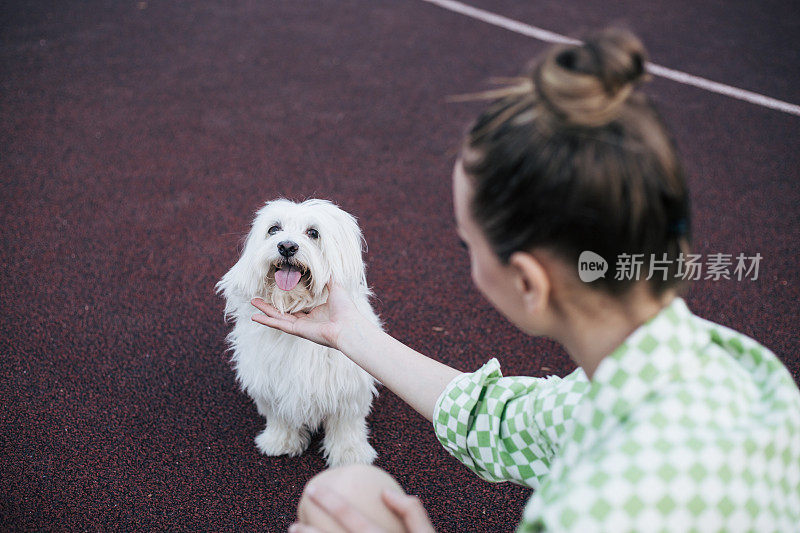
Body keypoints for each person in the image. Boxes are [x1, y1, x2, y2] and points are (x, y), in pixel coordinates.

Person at [251, 28, 800, 532]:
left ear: (529, 284)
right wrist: (352, 334)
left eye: (468, 244)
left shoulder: (588, 511)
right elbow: (504, 419)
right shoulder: (737, 370)